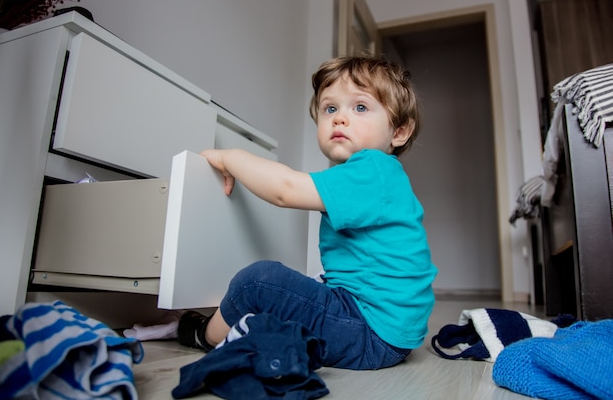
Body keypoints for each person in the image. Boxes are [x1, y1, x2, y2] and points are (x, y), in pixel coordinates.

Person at [178, 55, 437, 370]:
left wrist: (230, 157)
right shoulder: (380, 176)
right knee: (297, 289)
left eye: (360, 107)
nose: (340, 118)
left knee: (257, 282)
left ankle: (205, 335)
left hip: (370, 333)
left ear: (399, 131)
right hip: (392, 333)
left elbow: (285, 189)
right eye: (330, 108)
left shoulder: (373, 169)